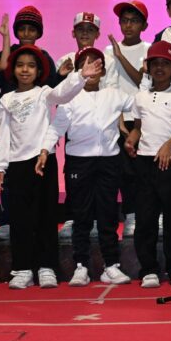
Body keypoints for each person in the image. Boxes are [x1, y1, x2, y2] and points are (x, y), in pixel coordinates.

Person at [0, 45, 98, 289]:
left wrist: (80, 75)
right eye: (20, 65)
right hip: (17, 165)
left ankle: (46, 266)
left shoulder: (44, 93)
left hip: (43, 161)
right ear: (13, 70)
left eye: (31, 65)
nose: (25, 70)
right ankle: (22, 268)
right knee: (20, 219)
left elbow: (63, 93)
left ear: (39, 70)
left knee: (45, 216)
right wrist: (0, 166)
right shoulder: (7, 99)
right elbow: (5, 135)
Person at [49, 47, 132, 287]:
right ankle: (81, 266)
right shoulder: (67, 98)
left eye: (96, 64)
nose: (91, 69)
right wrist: (45, 149)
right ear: (77, 71)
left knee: (107, 214)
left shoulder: (114, 95)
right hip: (79, 162)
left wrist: (132, 132)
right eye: (85, 65)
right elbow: (56, 128)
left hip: (108, 161)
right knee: (81, 215)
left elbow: (141, 106)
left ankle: (111, 266)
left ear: (104, 70)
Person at [123, 41, 171, 289]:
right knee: (146, 218)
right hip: (144, 162)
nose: (160, 68)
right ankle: (148, 269)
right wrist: (131, 140)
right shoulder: (139, 97)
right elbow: (138, 129)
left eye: (165, 63)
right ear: (148, 67)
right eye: (156, 63)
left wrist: (167, 145)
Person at [0, 6, 58, 243]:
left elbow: (52, 92)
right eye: (22, 28)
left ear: (39, 32)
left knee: (39, 185)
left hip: (36, 131)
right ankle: (8, 219)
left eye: (32, 29)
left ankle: (40, 225)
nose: (27, 33)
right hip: (9, 123)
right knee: (10, 176)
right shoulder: (5, 56)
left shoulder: (45, 57)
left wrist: (66, 77)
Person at [105, 1, 151, 238]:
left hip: (145, 118)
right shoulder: (106, 51)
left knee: (147, 171)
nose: (128, 25)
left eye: (134, 20)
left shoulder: (150, 49)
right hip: (118, 119)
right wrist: (119, 119)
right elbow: (109, 86)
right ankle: (131, 216)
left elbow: (143, 83)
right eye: (125, 20)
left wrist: (121, 57)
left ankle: (153, 214)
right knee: (124, 172)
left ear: (145, 24)